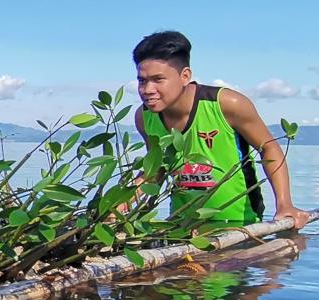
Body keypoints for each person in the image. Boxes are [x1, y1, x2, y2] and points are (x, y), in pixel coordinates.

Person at [130, 30, 309, 229]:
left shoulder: (227, 104)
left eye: (158, 79)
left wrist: (284, 204)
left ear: (185, 76)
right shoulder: (144, 117)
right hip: (181, 226)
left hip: (240, 225)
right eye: (142, 80)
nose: (147, 89)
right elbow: (156, 168)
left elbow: (269, 148)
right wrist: (120, 204)